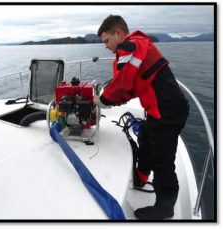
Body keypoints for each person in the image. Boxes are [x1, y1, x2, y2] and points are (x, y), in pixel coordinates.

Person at [94, 15, 189, 220]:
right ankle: (141, 176)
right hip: (160, 109)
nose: (106, 46)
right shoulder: (136, 49)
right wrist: (112, 101)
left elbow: (121, 84)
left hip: (168, 110)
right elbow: (131, 88)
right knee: (145, 137)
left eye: (106, 41)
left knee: (163, 160)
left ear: (118, 33)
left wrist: (101, 101)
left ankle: (165, 207)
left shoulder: (131, 47)